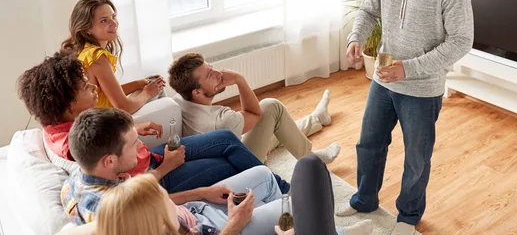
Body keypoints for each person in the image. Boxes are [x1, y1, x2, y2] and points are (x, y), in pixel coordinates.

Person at [338, 0, 474, 235]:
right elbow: (369, 11)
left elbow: (461, 41)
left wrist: (408, 69)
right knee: (369, 143)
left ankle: (409, 217)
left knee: (416, 159)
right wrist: (356, 38)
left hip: (421, 89)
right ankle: (364, 200)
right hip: (383, 81)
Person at [61, 109, 372, 234]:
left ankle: (284, 220)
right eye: (132, 145)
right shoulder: (113, 210)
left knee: (263, 176)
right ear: (109, 161)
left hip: (195, 210)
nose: (141, 147)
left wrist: (202, 192)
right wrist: (235, 224)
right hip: (214, 228)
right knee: (307, 210)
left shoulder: (82, 175)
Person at [18, 53, 289, 193]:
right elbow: (121, 192)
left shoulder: (61, 123)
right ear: (69, 106)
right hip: (154, 181)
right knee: (231, 162)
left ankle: (278, 184)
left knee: (226, 139)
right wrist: (166, 166)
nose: (92, 85)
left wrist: (132, 130)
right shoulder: (72, 146)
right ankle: (284, 190)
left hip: (150, 158)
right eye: (83, 86)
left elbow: (105, 139)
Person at [168, 52, 341, 164]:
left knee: (277, 129)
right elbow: (255, 113)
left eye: (211, 67)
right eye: (209, 75)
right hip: (240, 168)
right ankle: (313, 159)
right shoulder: (221, 119)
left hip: (223, 155)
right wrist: (239, 79)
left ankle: (317, 118)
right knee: (271, 107)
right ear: (197, 91)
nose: (218, 74)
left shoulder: (178, 100)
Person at [62, 0, 166, 114]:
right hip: (106, 123)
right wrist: (147, 93)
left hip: (99, 118)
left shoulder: (85, 52)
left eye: (113, 17)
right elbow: (123, 107)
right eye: (104, 20)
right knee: (165, 100)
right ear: (87, 29)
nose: (114, 23)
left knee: (154, 85)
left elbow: (105, 95)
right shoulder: (97, 57)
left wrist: (138, 84)